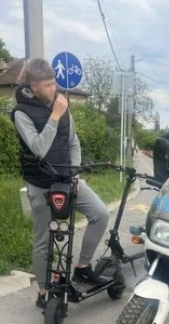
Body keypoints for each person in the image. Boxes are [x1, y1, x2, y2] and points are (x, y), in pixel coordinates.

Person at [10, 58, 110, 309]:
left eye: (53, 83)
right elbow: (39, 148)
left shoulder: (62, 104)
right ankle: (44, 290)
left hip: (67, 180)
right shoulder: (21, 112)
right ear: (33, 86)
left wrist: (74, 174)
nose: (53, 89)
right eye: (47, 85)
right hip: (41, 184)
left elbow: (73, 143)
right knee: (44, 238)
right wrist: (54, 115)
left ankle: (83, 267)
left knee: (100, 213)